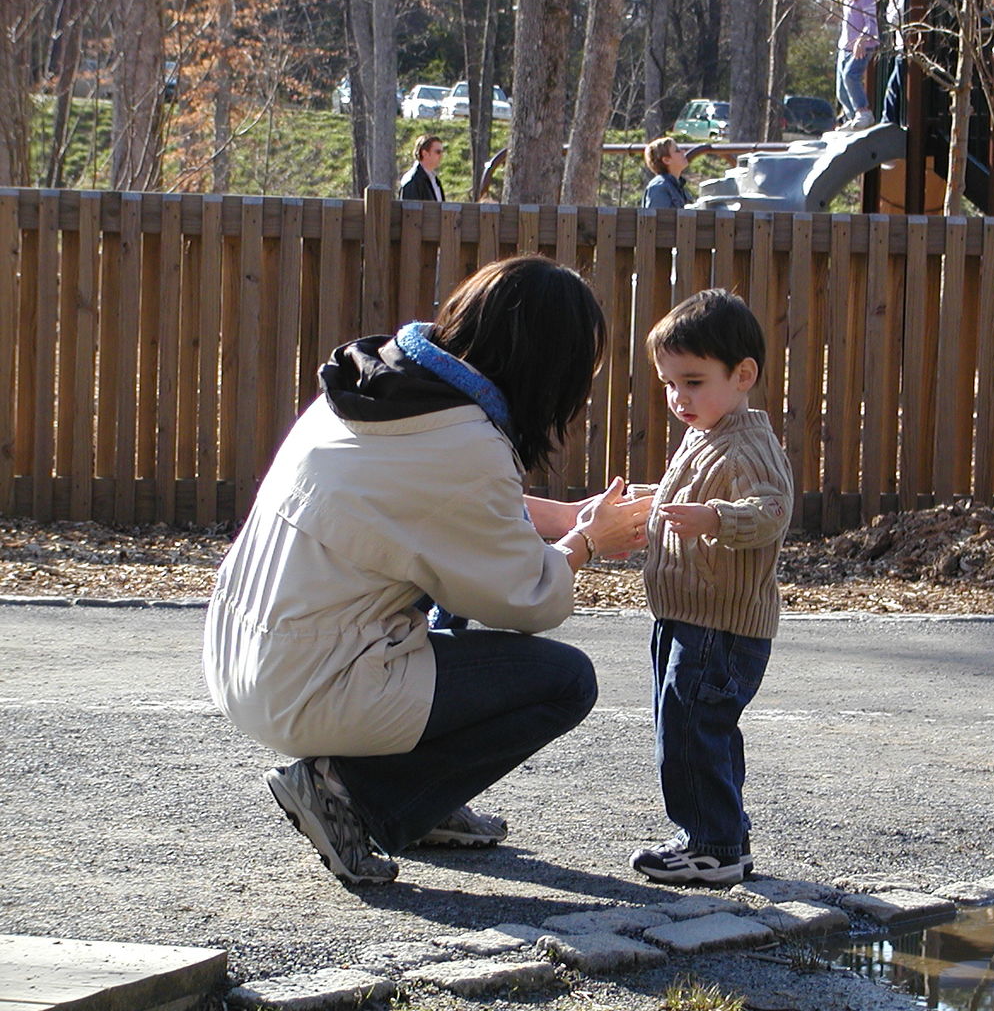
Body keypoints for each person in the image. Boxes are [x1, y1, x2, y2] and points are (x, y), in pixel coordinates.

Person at [202, 255, 653, 885]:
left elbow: (441, 508)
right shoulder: (464, 444)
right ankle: (352, 794)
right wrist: (588, 541)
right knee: (564, 681)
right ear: (549, 366)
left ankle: (425, 801)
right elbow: (530, 599)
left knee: (454, 598)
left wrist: (567, 516)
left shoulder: (379, 384)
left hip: (243, 652)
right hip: (311, 684)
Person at [627, 290, 794, 886]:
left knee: (692, 730)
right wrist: (647, 513)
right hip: (684, 615)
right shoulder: (707, 436)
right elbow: (686, 498)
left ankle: (713, 845)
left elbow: (771, 510)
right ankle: (724, 836)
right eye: (670, 384)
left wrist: (719, 519)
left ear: (743, 374)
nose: (679, 398)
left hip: (720, 626)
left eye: (693, 382)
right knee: (693, 727)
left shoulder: (748, 444)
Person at [835, 0, 879, 131]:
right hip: (845, 48)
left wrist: (861, 40)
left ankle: (863, 112)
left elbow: (871, 23)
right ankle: (852, 116)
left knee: (850, 75)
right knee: (841, 89)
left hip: (862, 47)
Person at [881, 0, 909, 126]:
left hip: (905, 50)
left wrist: (894, 1)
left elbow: (893, 19)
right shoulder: (896, 1)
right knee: (893, 89)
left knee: (895, 89)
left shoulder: (906, 1)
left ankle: (889, 122)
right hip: (899, 50)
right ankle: (888, 121)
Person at [641, 136, 692, 209]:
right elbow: (655, 219)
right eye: (677, 150)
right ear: (666, 160)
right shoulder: (658, 187)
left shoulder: (678, 185)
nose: (683, 152)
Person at [399, 134, 445, 202]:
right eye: (438, 152)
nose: (441, 156)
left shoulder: (434, 180)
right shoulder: (412, 180)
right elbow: (410, 211)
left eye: (442, 152)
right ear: (425, 153)